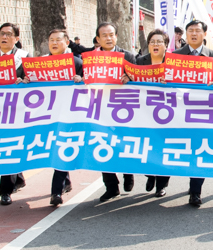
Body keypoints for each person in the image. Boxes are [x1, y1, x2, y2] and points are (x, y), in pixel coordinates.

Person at [0, 23, 30, 206]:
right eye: (2, 33)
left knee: (9, 145)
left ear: (16, 38)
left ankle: (5, 191)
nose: (5, 37)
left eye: (9, 34)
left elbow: (32, 80)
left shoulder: (24, 57)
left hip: (16, 110)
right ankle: (17, 176)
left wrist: (24, 81)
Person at [173, 19, 213, 206]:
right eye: (190, 30)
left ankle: (195, 191)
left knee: (199, 148)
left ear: (204, 34)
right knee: (184, 149)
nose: (193, 34)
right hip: (180, 112)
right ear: (186, 34)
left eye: (197, 31)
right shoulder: (175, 56)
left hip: (205, 111)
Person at [37, 29, 84, 206]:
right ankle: (66, 181)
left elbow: (88, 83)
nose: (54, 43)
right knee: (53, 148)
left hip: (70, 114)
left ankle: (55, 191)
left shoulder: (77, 62)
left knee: (63, 147)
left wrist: (81, 79)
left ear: (67, 42)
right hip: (47, 115)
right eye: (51, 40)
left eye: (58, 39)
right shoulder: (40, 63)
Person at [94, 22, 138, 202]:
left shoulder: (128, 56)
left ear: (116, 36)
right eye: (104, 35)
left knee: (123, 143)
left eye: (111, 34)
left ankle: (128, 173)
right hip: (100, 109)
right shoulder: (91, 58)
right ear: (98, 39)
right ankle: (111, 186)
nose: (108, 38)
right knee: (101, 144)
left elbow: (139, 80)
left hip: (124, 110)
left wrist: (130, 78)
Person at [132, 29, 172, 198]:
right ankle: (150, 174)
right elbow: (131, 80)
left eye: (159, 42)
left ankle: (161, 184)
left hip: (167, 113)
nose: (155, 45)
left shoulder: (173, 63)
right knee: (145, 146)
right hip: (144, 113)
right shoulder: (140, 61)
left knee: (163, 147)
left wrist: (170, 82)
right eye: (152, 42)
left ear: (166, 45)